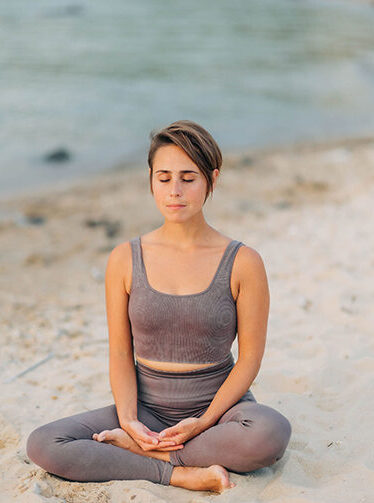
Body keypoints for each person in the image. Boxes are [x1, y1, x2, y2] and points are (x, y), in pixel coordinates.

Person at [26, 120, 292, 493]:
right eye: (164, 178)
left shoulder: (244, 261)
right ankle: (180, 473)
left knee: (270, 433)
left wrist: (204, 421)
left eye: (188, 178)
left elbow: (250, 358)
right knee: (44, 442)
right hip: (147, 406)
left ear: (212, 179)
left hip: (219, 410)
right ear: (150, 179)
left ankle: (149, 456)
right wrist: (130, 420)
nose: (175, 191)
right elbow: (120, 351)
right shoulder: (124, 258)